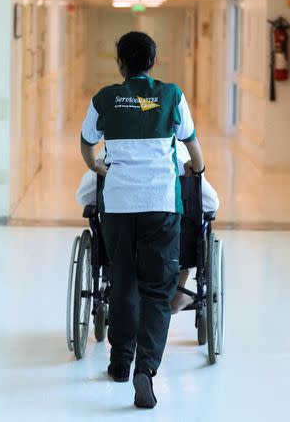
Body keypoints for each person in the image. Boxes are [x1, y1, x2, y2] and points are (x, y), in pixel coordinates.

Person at [80, 31, 205, 409]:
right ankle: (145, 370)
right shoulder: (171, 96)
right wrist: (196, 168)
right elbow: (194, 150)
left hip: (117, 206)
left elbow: (87, 143)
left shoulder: (104, 97)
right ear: (153, 61)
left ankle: (120, 362)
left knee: (122, 279)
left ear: (120, 63)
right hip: (160, 206)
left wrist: (97, 166)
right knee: (155, 290)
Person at [75, 141, 220, 314]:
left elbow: (84, 197)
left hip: (121, 247)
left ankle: (124, 290)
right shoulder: (180, 153)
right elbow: (212, 203)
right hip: (170, 250)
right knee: (189, 230)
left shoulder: (109, 152)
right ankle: (177, 292)